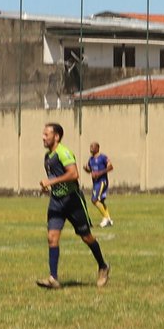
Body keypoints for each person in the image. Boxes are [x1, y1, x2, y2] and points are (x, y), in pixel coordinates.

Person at [36, 122, 109, 289]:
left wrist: (51, 181)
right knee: (52, 238)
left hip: (72, 201)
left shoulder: (64, 152)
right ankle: (53, 278)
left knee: (86, 237)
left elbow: (74, 174)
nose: (43, 137)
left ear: (56, 136)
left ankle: (103, 266)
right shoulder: (48, 156)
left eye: (46, 134)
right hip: (56, 201)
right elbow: (56, 178)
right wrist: (49, 187)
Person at [85, 141, 114, 228]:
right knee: (100, 201)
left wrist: (99, 173)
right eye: (90, 147)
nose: (91, 148)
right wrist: (87, 170)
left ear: (98, 148)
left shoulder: (103, 157)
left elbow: (110, 167)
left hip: (102, 181)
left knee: (94, 200)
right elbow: (91, 170)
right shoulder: (91, 159)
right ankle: (108, 219)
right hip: (95, 182)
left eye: (93, 147)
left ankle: (106, 218)